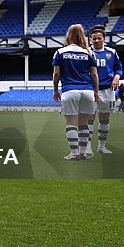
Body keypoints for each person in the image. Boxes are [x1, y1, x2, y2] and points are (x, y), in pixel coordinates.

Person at [52, 24, 100, 160]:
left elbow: (56, 74)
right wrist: (96, 92)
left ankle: (74, 153)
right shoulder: (88, 53)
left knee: (71, 123)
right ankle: (84, 152)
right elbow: (94, 75)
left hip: (69, 90)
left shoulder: (60, 52)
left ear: (68, 35)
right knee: (83, 124)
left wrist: (56, 90)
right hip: (87, 91)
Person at [88, 25, 123, 155]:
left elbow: (119, 68)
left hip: (108, 90)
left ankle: (102, 146)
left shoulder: (111, 52)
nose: (96, 41)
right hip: (90, 90)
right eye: (94, 39)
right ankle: (87, 147)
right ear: (90, 39)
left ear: (104, 39)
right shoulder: (86, 52)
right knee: (89, 119)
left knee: (104, 118)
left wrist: (117, 77)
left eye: (99, 38)